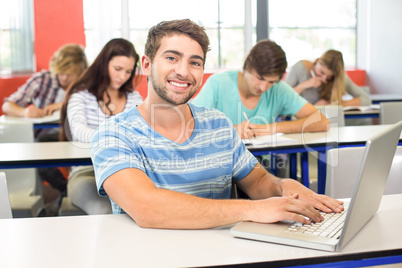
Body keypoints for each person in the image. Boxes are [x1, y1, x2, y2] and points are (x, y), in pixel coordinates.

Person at [90, 19, 343, 229]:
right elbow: (148, 208)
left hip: (225, 255)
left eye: (195, 62)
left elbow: (256, 183)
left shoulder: (218, 125)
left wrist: (281, 187)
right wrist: (255, 209)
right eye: (171, 58)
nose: (183, 71)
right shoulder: (112, 135)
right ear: (147, 65)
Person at [59, 38, 143, 214]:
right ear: (103, 64)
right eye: (117, 69)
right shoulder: (80, 95)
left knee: (139, 208)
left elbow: (142, 133)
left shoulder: (134, 98)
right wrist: (117, 137)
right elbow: (78, 131)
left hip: (125, 172)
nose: (122, 77)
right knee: (104, 210)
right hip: (86, 173)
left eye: (128, 71)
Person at [192, 39, 329, 140]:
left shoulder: (278, 89)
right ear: (247, 67)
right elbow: (188, 126)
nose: (263, 87)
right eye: (260, 78)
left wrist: (271, 128)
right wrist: (229, 132)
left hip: (261, 165)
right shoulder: (219, 84)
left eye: (271, 81)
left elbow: (322, 122)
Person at [1, 44, 88, 201]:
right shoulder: (42, 79)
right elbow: (7, 105)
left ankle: (75, 192)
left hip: (75, 135)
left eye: (70, 74)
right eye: (61, 73)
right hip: (46, 135)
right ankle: (65, 190)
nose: (64, 78)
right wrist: (25, 111)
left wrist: (63, 105)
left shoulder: (86, 83)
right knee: (37, 153)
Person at [285, 49, 371, 107]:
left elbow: (366, 99)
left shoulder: (339, 78)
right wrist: (303, 85)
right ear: (318, 61)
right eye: (322, 72)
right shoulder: (300, 68)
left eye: (329, 77)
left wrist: (333, 104)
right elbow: (283, 99)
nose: (324, 79)